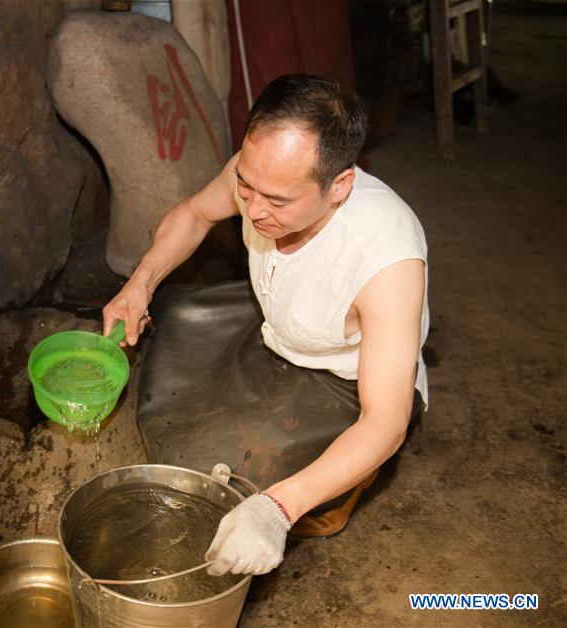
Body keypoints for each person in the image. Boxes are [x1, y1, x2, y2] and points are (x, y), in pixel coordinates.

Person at [102, 74, 429, 577]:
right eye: (245, 187)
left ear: (339, 185)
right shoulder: (263, 173)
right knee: (167, 321)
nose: (252, 210)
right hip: (274, 325)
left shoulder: (386, 260)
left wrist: (279, 507)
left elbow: (385, 421)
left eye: (277, 201)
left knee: (221, 489)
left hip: (344, 384)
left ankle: (326, 500)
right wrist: (140, 284)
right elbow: (193, 215)